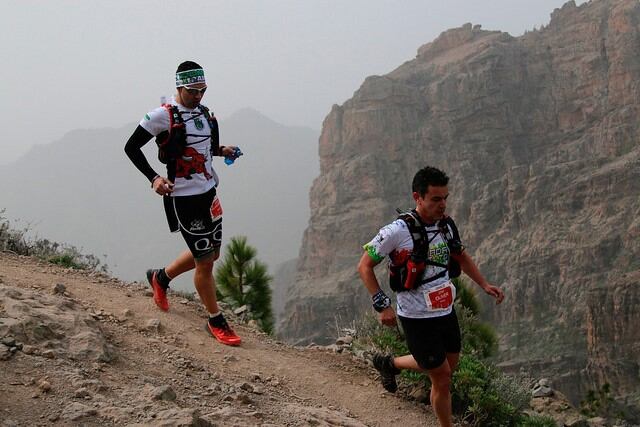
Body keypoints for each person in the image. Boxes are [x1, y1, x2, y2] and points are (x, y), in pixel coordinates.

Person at [357, 166, 505, 427]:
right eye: (436, 199)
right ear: (418, 197)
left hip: (445, 311)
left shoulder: (446, 225)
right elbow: (364, 266)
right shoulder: (396, 231)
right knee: (442, 376)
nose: (442, 204)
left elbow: (460, 255)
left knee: (449, 364)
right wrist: (382, 305)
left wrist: (484, 284)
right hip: (416, 316)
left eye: (445, 197)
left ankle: (389, 363)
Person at [124, 61, 242, 346]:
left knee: (212, 254)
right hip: (184, 198)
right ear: (179, 87)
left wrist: (221, 150)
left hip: (209, 193)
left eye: (203, 90)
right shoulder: (161, 116)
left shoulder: (204, 114)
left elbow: (204, 148)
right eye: (192, 91)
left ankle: (161, 278)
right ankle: (216, 320)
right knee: (205, 263)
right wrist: (153, 178)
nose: (198, 96)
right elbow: (131, 147)